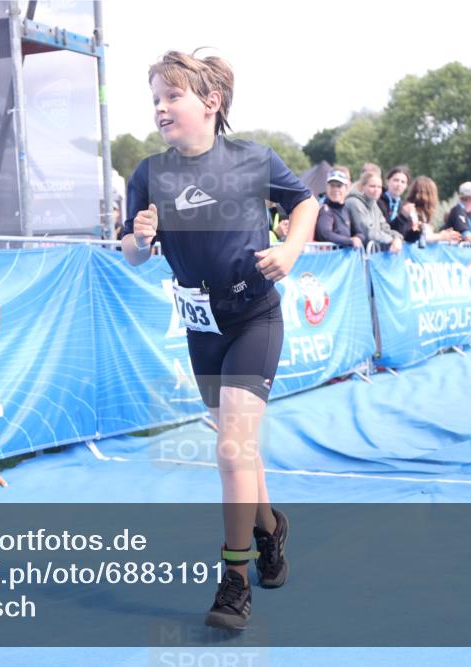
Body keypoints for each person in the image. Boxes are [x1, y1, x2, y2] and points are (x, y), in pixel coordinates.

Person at [121, 50, 317, 631]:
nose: (159, 107)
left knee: (232, 447)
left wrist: (290, 249)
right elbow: (131, 256)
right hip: (201, 328)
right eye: (154, 98)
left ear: (211, 103)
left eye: (171, 96)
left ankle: (234, 578)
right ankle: (271, 528)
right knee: (240, 448)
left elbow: (303, 202)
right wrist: (138, 237)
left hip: (254, 314)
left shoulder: (253, 159)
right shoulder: (147, 175)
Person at [343, 171, 402, 253]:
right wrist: (391, 240)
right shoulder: (353, 202)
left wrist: (397, 237)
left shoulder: (373, 203)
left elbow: (384, 227)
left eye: (379, 187)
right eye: (372, 186)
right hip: (355, 254)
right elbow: (368, 232)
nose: (376, 190)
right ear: (362, 187)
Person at [400, 176, 461, 244]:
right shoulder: (410, 210)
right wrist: (441, 236)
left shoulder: (422, 213)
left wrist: (442, 235)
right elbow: (420, 236)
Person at [314, 169, 364, 248]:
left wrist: (358, 238)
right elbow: (325, 234)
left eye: (339, 186)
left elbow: (360, 232)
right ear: (327, 188)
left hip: (346, 258)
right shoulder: (325, 210)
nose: (335, 189)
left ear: (346, 188)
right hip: (329, 257)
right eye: (332, 185)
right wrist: (350, 241)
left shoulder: (348, 209)